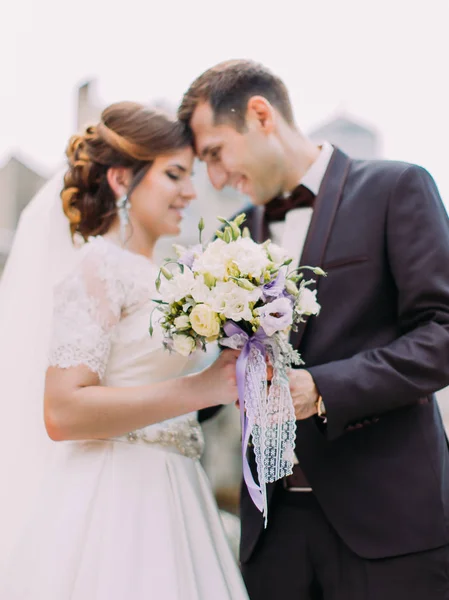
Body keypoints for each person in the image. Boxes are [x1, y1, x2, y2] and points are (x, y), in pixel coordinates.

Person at [179, 60, 449, 599]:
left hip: (388, 525)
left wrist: (324, 389)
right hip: (274, 534)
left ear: (260, 115)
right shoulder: (234, 235)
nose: (214, 177)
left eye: (215, 152)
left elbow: (442, 332)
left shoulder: (396, 187)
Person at [0, 101, 249, 600]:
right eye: (175, 175)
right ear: (121, 180)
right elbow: (63, 410)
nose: (189, 192)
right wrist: (199, 388)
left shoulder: (172, 278)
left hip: (178, 492)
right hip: (115, 499)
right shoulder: (99, 265)